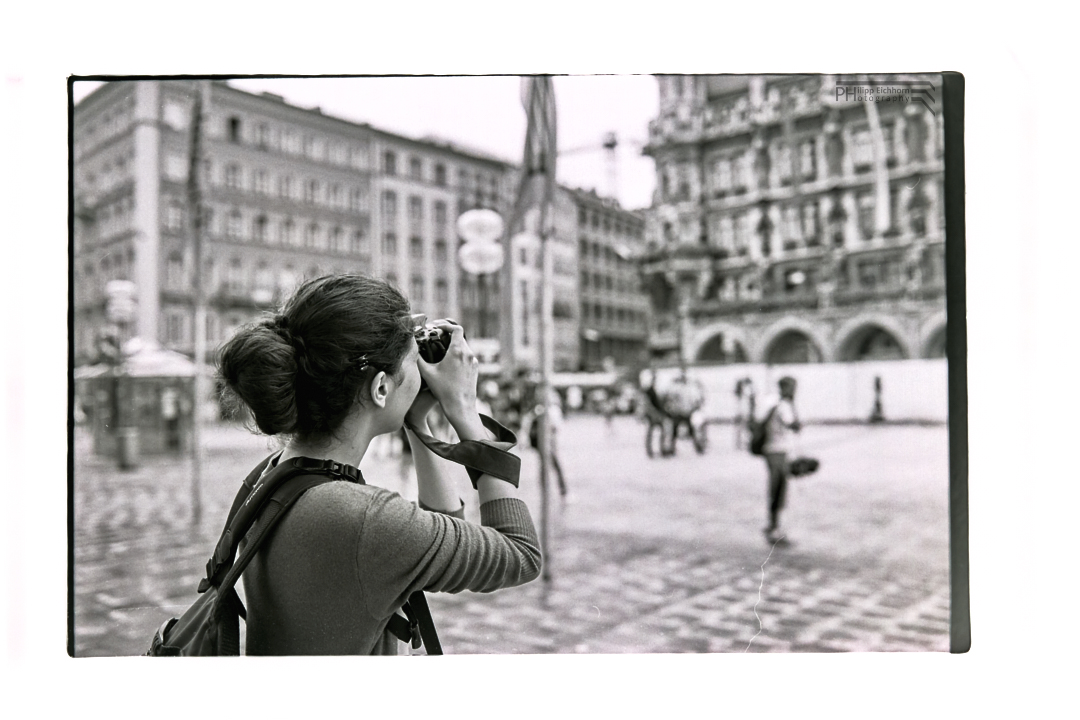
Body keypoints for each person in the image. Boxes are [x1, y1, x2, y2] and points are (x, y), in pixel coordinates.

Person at [216, 274, 542, 655]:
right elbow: (521, 554)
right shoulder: (362, 517)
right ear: (380, 388)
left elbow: (443, 535)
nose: (420, 371)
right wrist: (465, 411)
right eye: (412, 360)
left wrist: (416, 420)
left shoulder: (276, 474)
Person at [760, 376, 801, 545]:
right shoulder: (784, 406)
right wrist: (793, 404)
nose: (794, 391)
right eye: (792, 387)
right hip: (777, 451)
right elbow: (795, 425)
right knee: (778, 489)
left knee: (777, 488)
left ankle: (773, 526)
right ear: (785, 388)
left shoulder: (773, 404)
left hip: (772, 451)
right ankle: (774, 528)